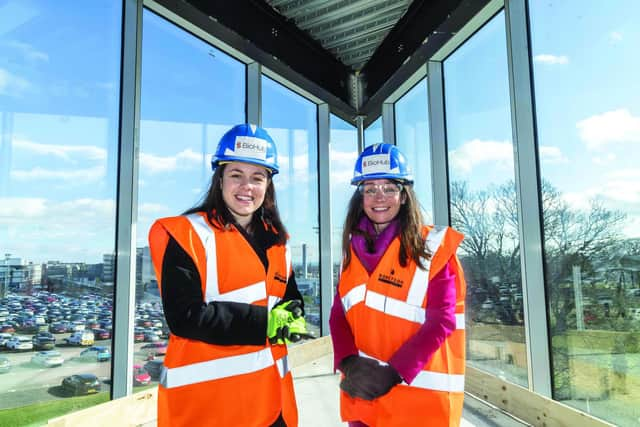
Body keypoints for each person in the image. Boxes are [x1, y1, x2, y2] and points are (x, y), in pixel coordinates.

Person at [148, 123, 308, 427]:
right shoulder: (187, 234)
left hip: (273, 404)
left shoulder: (277, 241)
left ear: (268, 185)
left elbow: (289, 297)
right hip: (209, 409)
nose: (247, 186)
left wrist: (294, 315)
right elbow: (185, 316)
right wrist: (267, 323)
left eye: (257, 177)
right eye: (237, 175)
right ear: (220, 178)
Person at [329, 143, 467, 427]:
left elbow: (441, 321)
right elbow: (338, 315)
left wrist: (392, 373)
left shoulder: (433, 247)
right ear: (361, 197)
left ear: (404, 195)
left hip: (419, 409)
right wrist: (347, 362)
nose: (379, 197)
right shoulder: (350, 252)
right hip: (365, 402)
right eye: (370, 189)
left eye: (389, 188)